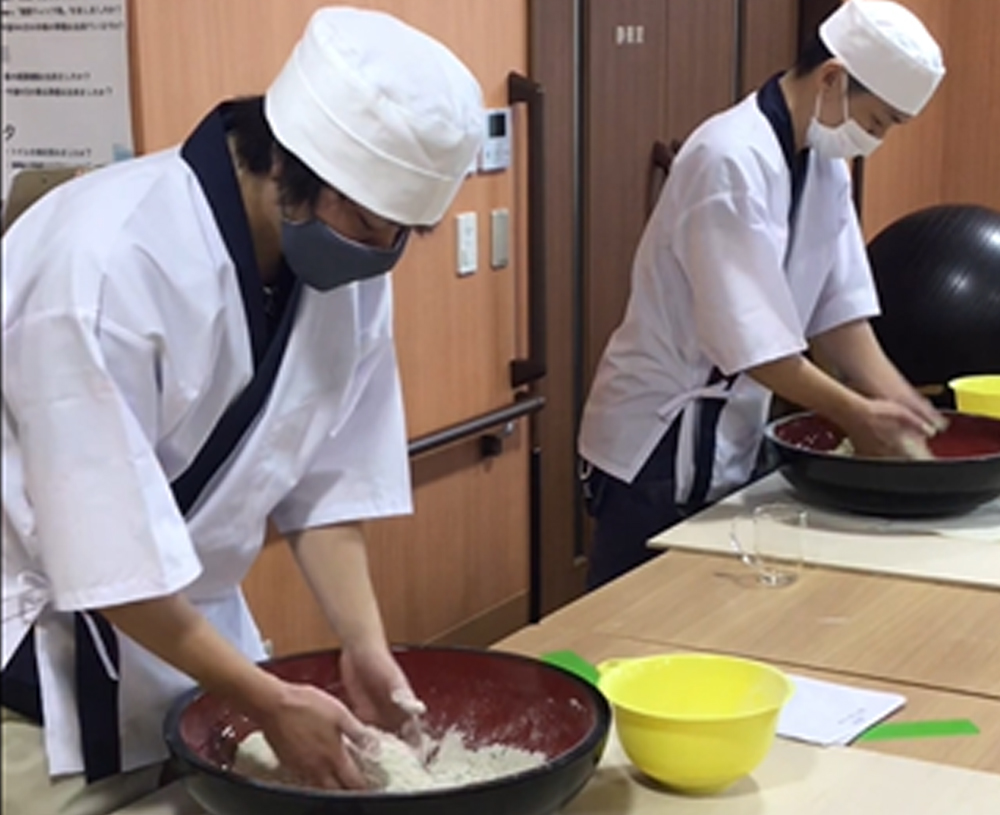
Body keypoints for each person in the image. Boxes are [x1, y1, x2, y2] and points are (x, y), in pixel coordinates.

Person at [1, 7, 483, 813]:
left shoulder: (347, 270)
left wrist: (362, 646)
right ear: (290, 163)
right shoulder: (106, 262)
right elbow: (103, 551)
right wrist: (265, 698)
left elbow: (325, 483)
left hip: (203, 654)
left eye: (405, 233)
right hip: (41, 668)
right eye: (367, 222)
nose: (382, 250)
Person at [578, 0, 947, 589]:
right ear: (832, 78)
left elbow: (839, 310)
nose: (872, 140)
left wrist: (903, 405)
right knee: (635, 621)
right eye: (876, 123)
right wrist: (856, 414)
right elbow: (756, 347)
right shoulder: (728, 159)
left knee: (711, 613)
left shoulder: (824, 163)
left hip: (730, 428)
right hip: (658, 438)